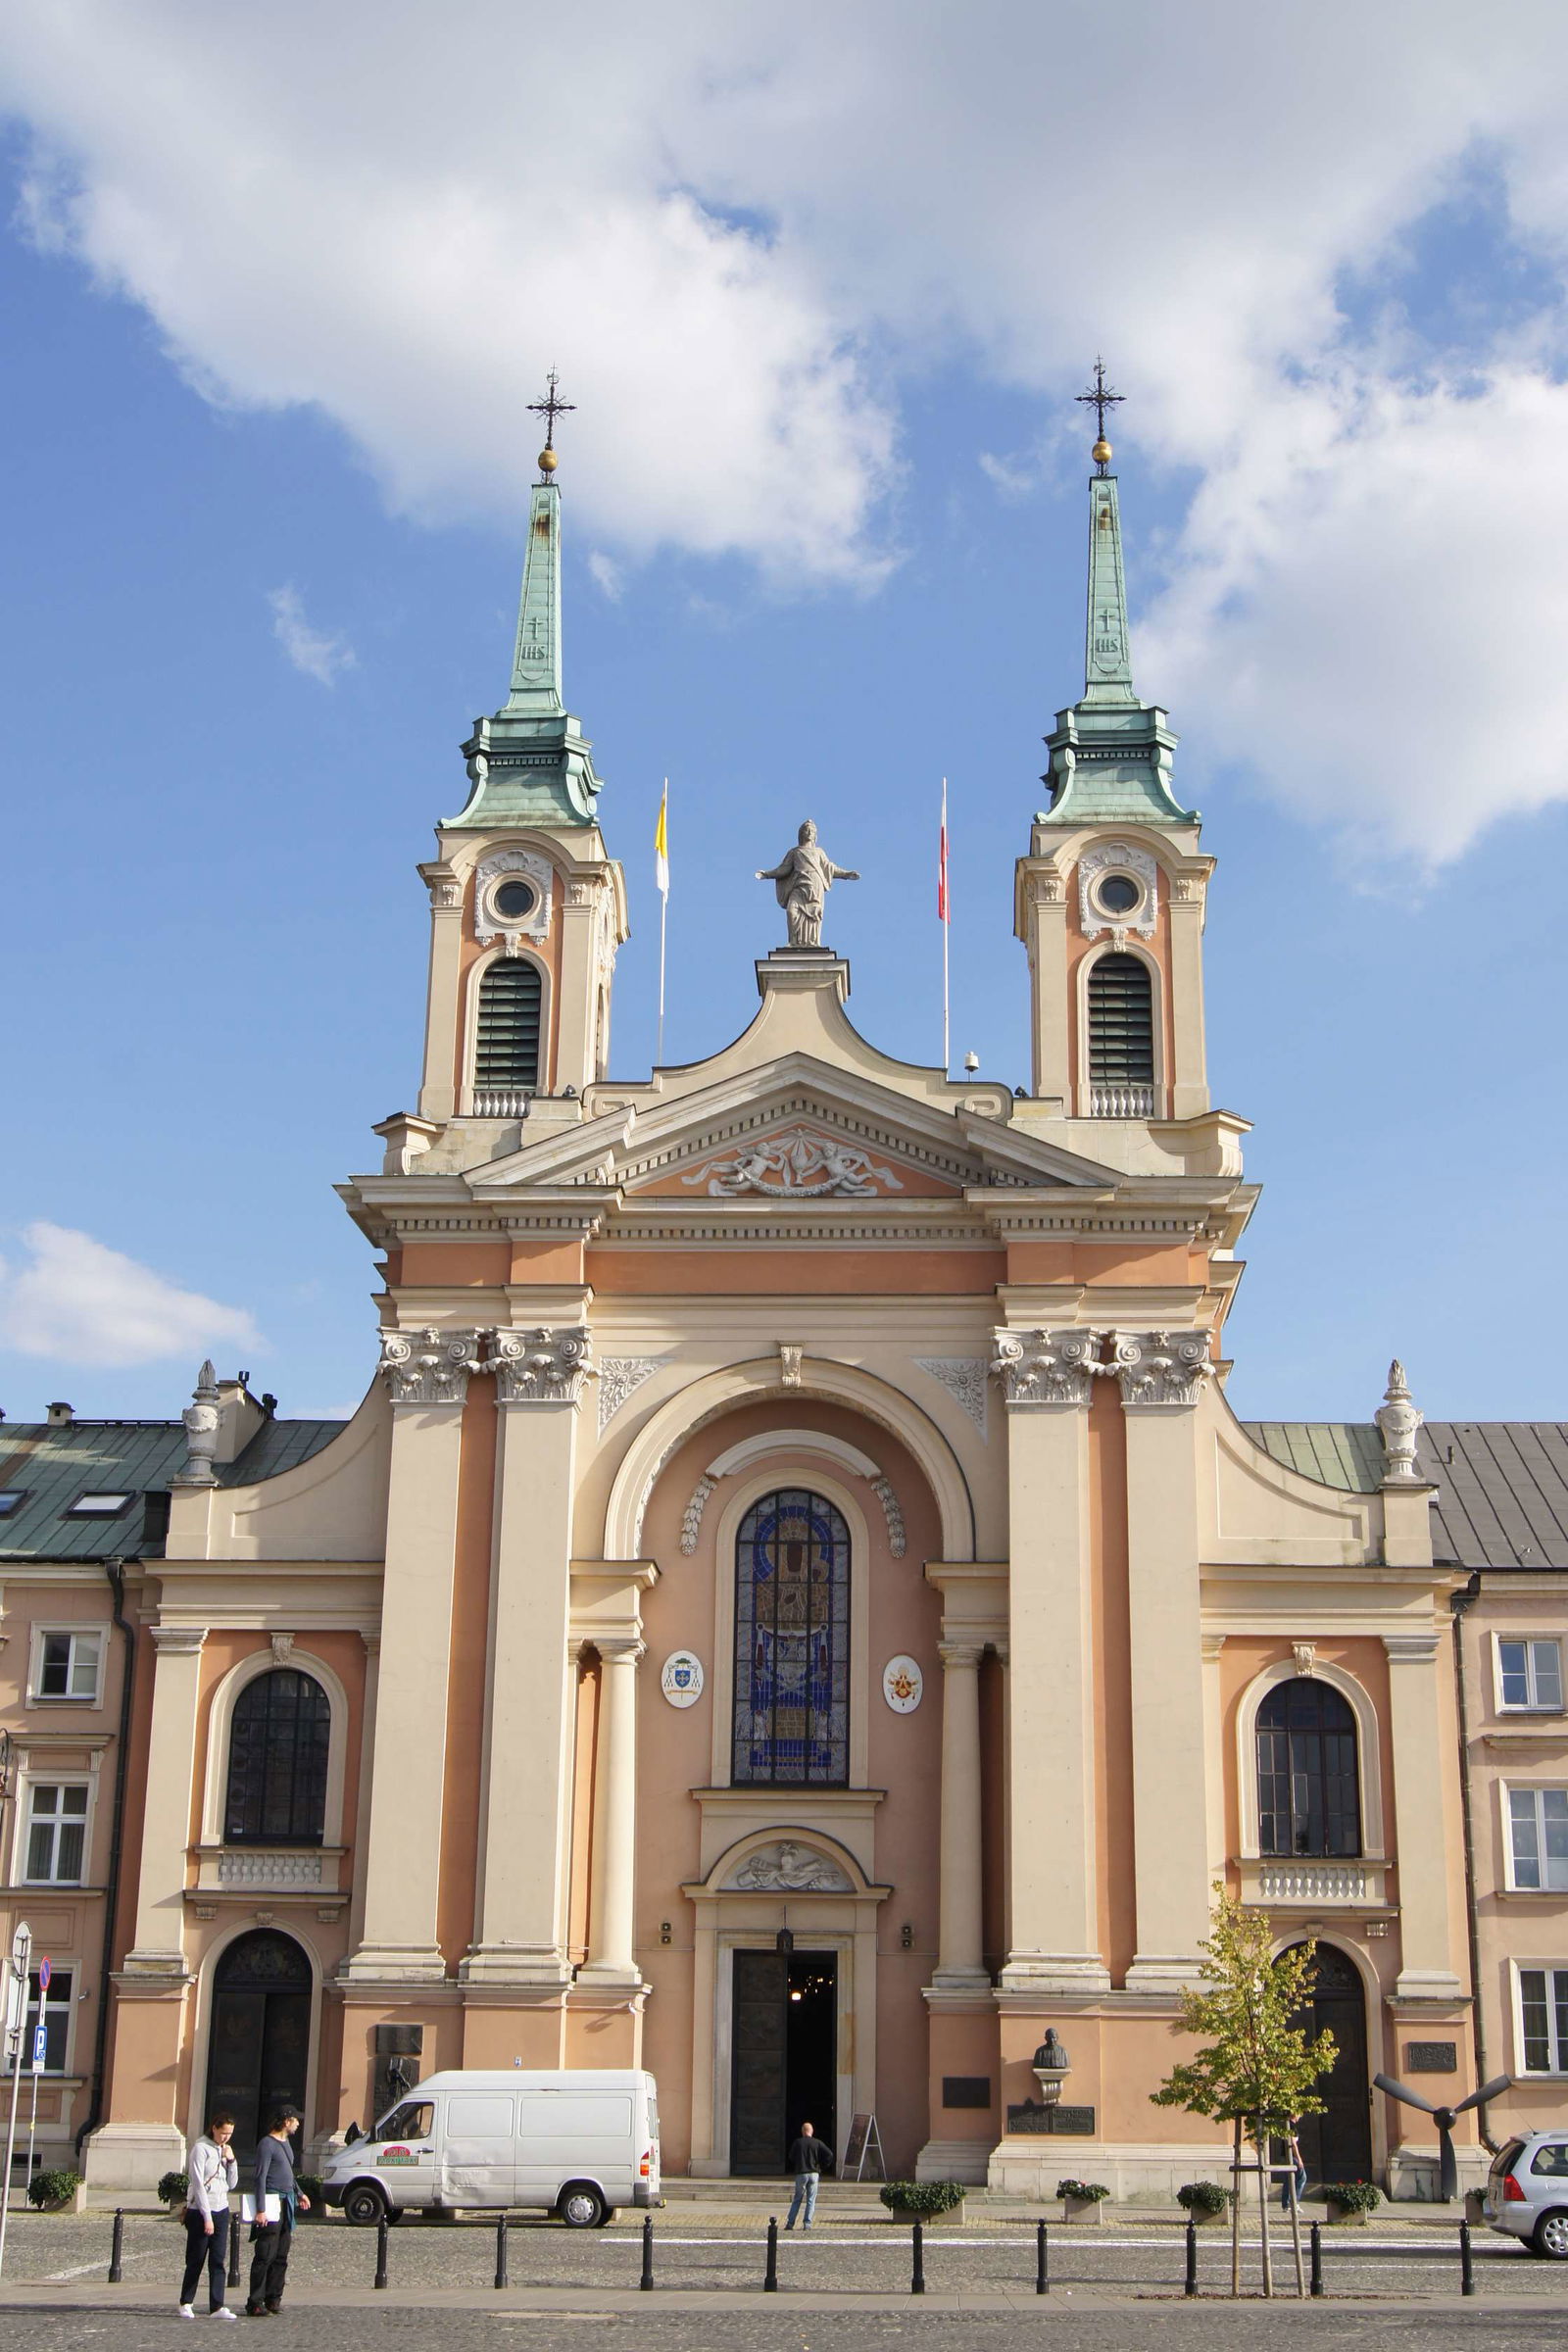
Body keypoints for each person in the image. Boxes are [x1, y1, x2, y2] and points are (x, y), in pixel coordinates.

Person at [246, 2106, 311, 2318]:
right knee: (265, 2253)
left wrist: (299, 2193)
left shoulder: (286, 2144)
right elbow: (260, 2177)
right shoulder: (267, 2144)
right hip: (272, 2201)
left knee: (282, 2252)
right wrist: (261, 2209)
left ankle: (273, 2298)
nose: (298, 2123)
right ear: (285, 2121)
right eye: (295, 2120)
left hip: (287, 2201)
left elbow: (289, 2174)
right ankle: (255, 2301)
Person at [178, 2110, 239, 2320]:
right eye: (223, 2133)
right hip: (200, 2211)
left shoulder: (224, 2150)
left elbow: (232, 2184)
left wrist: (231, 2162)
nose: (226, 2137)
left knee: (218, 2260)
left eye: (230, 2134)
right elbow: (197, 2185)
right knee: (196, 2259)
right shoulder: (200, 2148)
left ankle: (217, 2306)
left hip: (222, 2209)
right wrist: (207, 2217)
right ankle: (186, 2302)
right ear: (214, 2128)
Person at [783, 2119, 833, 2232]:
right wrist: (823, 2166)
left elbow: (791, 2157)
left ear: (802, 2131)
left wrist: (798, 2163)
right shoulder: (817, 2142)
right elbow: (829, 2154)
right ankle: (807, 2224)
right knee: (811, 2200)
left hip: (802, 2173)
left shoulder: (798, 2142)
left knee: (797, 2199)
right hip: (814, 2173)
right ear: (812, 2131)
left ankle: (790, 2223)